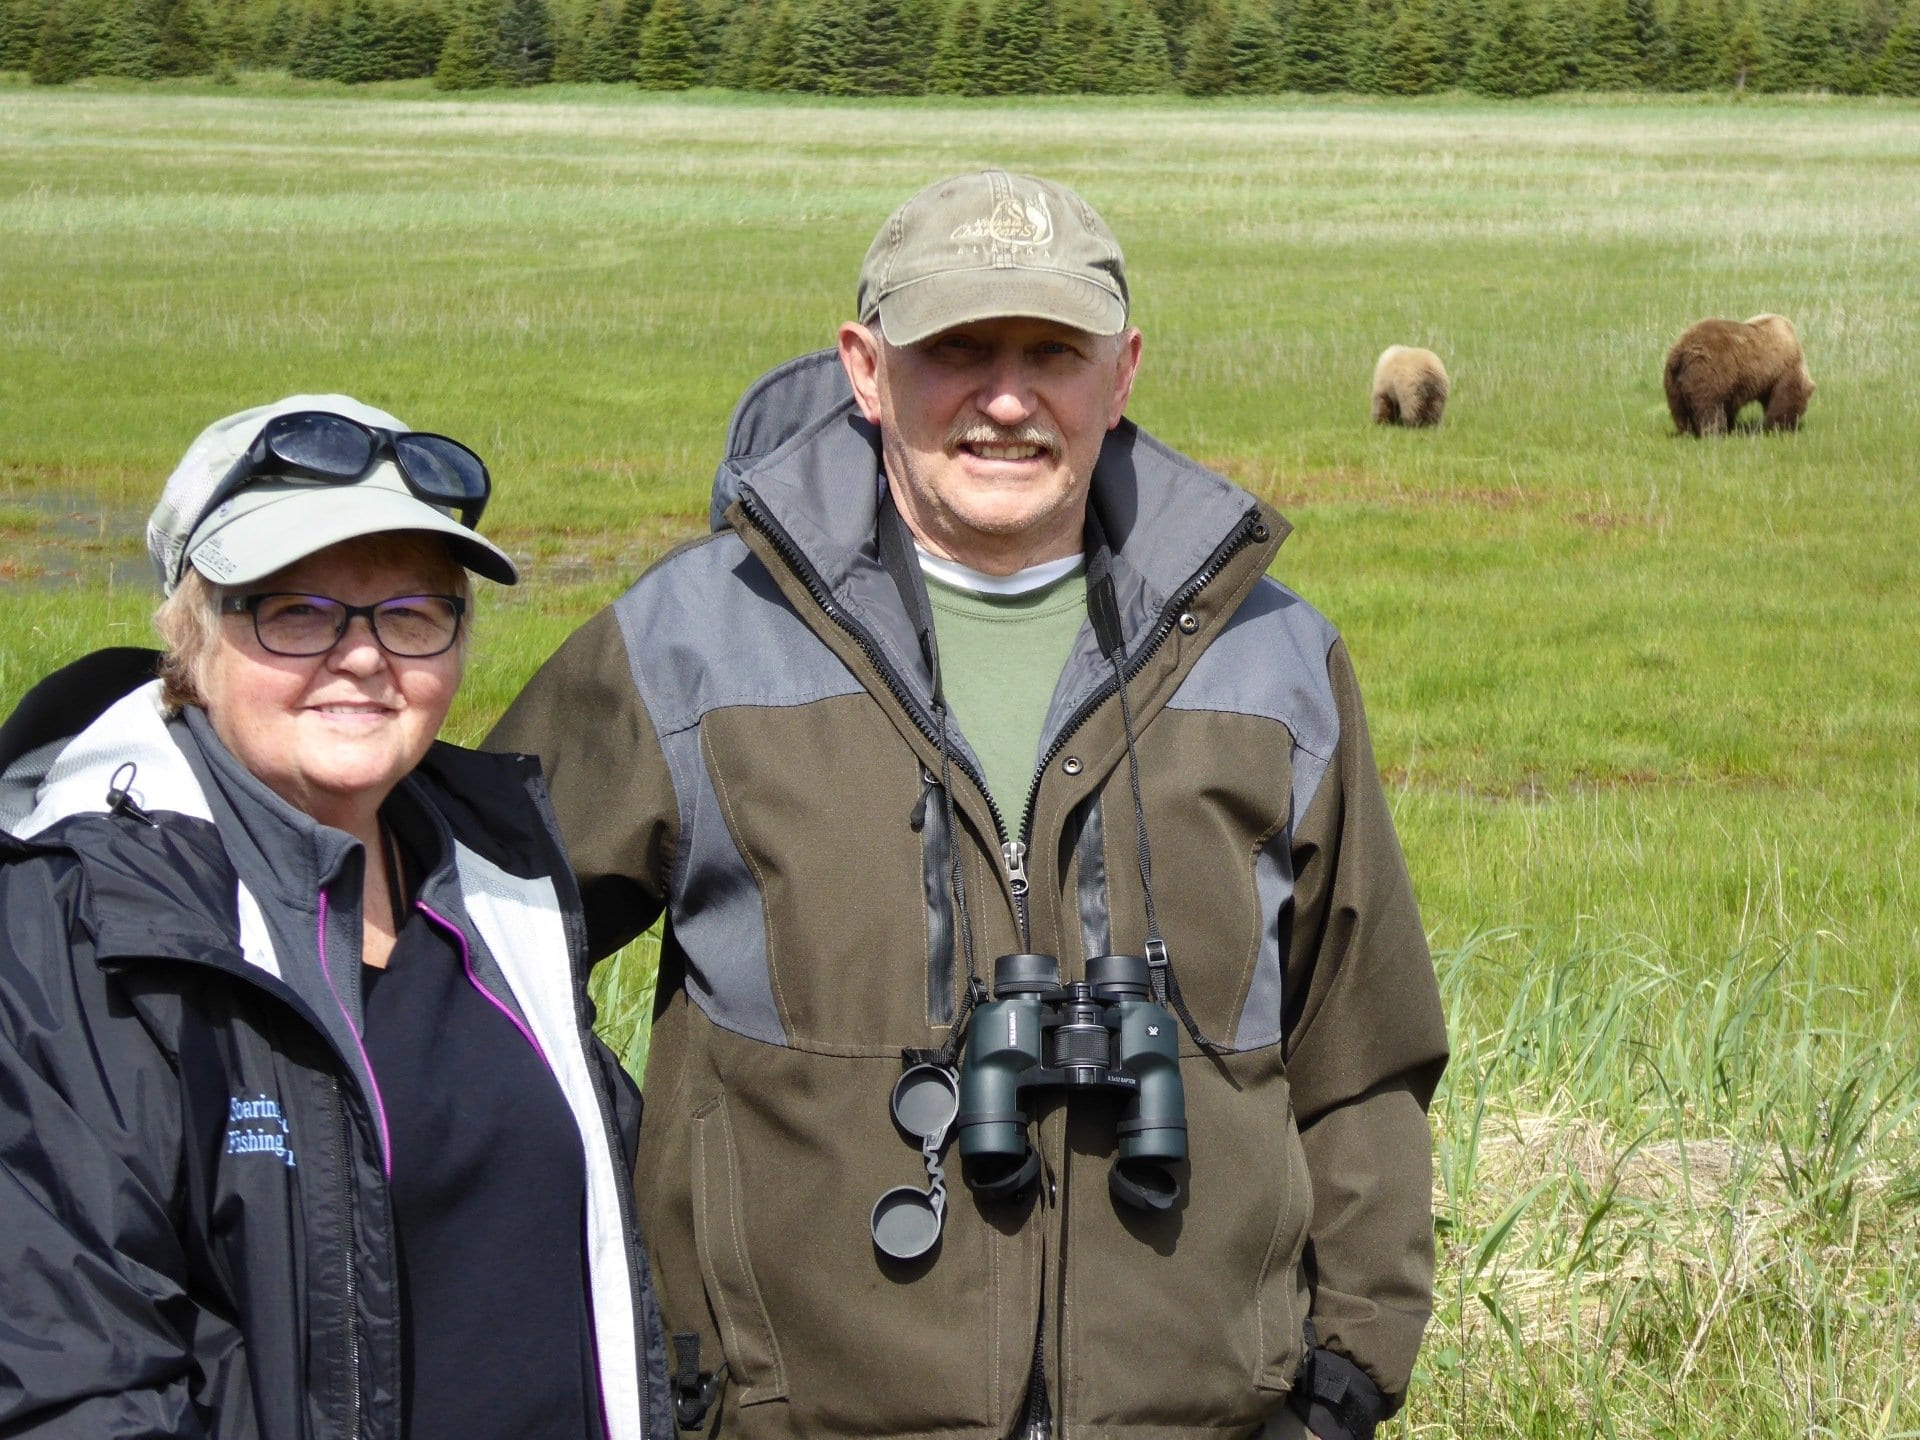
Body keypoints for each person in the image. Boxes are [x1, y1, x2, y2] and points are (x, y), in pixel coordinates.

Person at [488, 171, 1448, 1440]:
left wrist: (1347, 1377)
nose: (1007, 398)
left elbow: (1362, 1050)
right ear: (867, 369)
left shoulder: (1270, 660)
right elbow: (463, 956)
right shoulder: (691, 648)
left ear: (1123, 373)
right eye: (958, 351)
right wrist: (659, 1211)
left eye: (1053, 351)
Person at [0, 396, 673, 1440]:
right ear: (188, 631)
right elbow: (73, 1379)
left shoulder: (501, 888)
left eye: (412, 611)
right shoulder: (83, 926)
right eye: (296, 610)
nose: (362, 656)